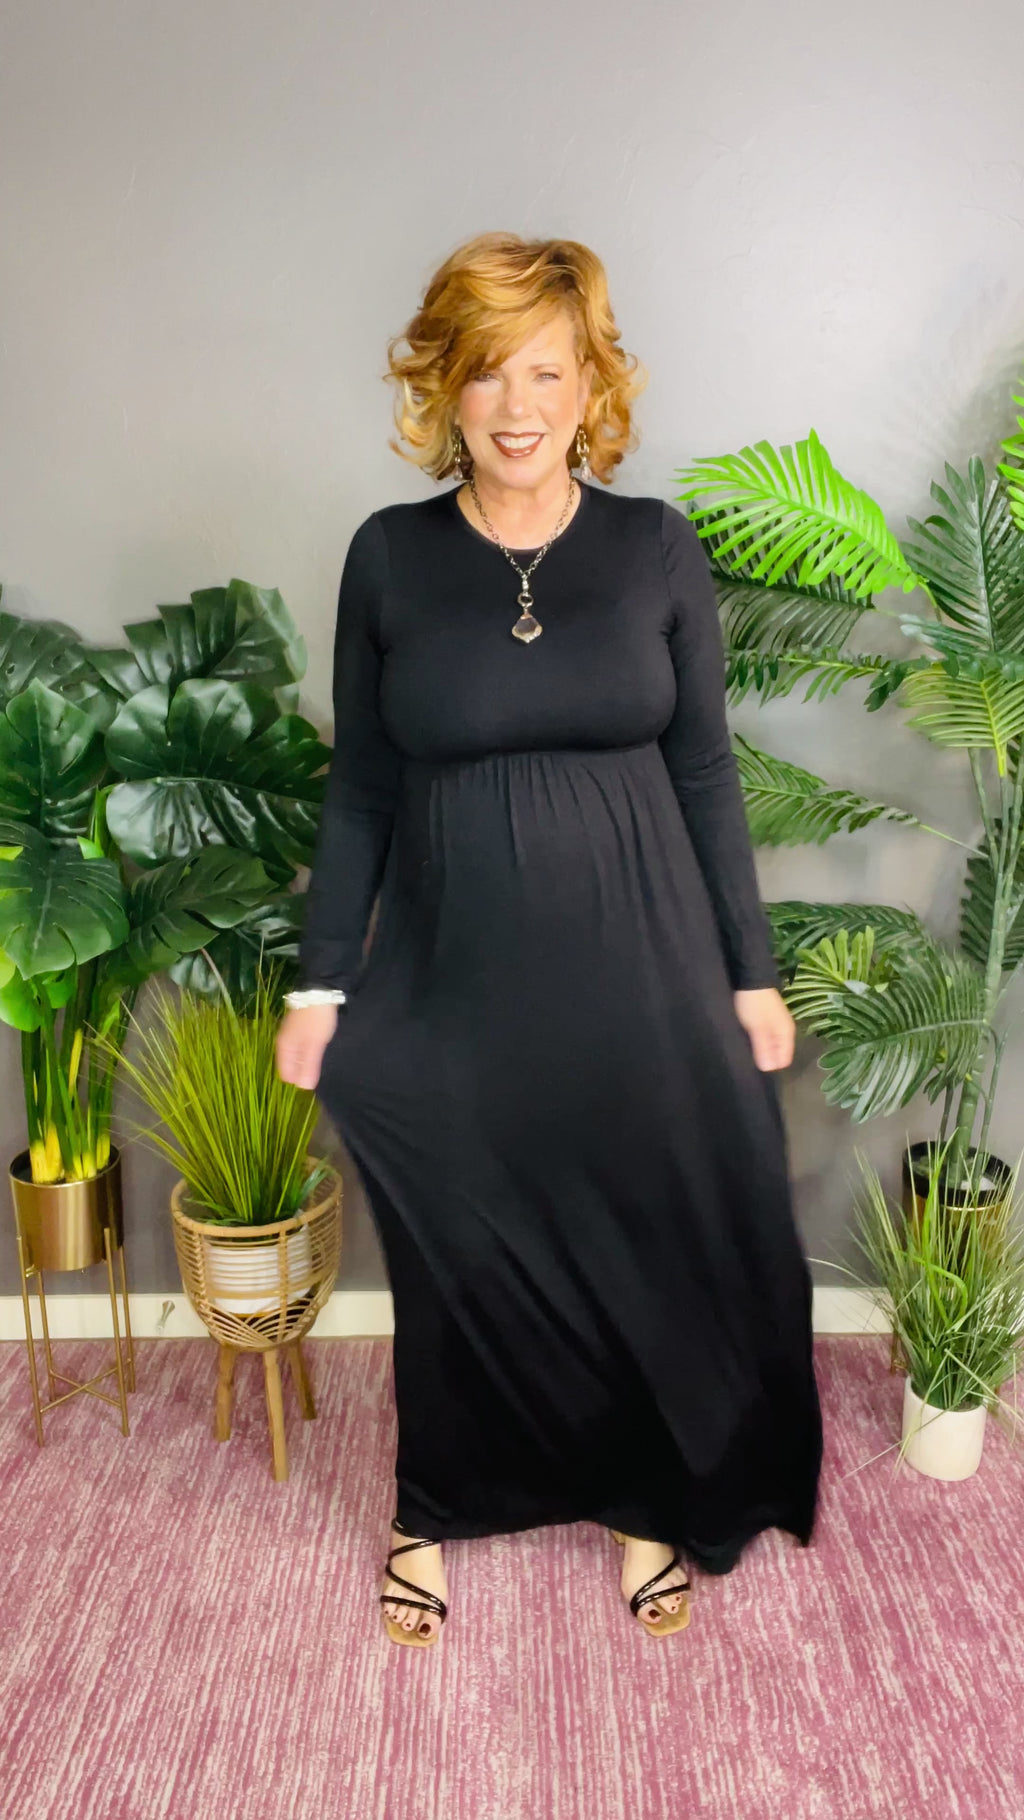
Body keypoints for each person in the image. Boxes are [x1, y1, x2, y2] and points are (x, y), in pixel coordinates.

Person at [276, 231, 823, 1648]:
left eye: (546, 371)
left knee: (631, 1241)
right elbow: (362, 789)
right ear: (442, 387)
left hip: (641, 976)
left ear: (592, 386)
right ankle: (435, 1505)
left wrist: (750, 975)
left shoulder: (654, 548)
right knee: (458, 1247)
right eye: (485, 372)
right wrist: (320, 982)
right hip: (455, 975)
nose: (516, 406)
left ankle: (642, 1499)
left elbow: (706, 772)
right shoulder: (389, 558)